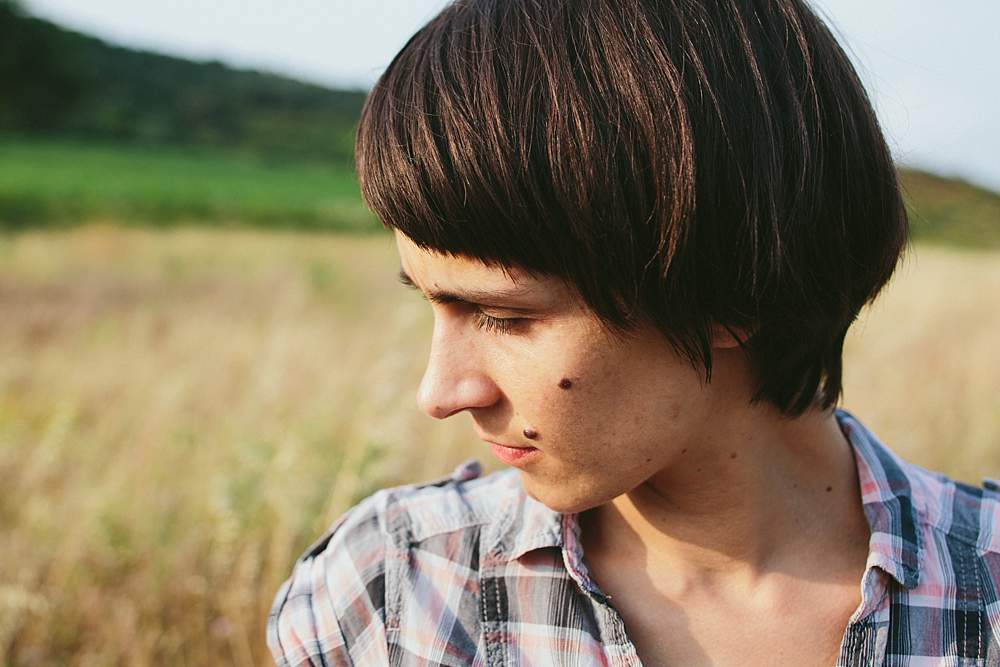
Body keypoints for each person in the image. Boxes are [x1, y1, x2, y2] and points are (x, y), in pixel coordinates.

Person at [267, 0, 1000, 664]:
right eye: (434, 303)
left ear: (729, 288)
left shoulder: (987, 591)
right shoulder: (393, 592)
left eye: (507, 316)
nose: (441, 391)